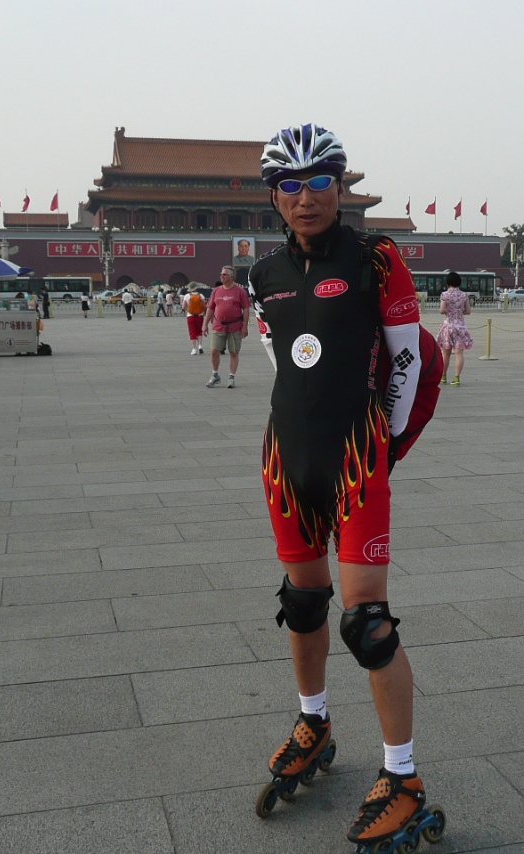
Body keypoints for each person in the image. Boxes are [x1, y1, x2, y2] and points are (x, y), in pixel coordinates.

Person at [249, 123, 430, 848]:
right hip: (285, 460)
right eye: (288, 185)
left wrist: (380, 441)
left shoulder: (375, 258)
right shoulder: (263, 274)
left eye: (317, 181)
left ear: (339, 186)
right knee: (302, 603)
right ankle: (313, 721)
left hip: (357, 461)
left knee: (366, 624)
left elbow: (408, 361)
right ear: (273, 197)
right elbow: (279, 360)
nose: (303, 197)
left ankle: (403, 777)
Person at [202, 266, 250, 388]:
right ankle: (215, 375)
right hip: (218, 325)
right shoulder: (216, 291)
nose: (222, 276)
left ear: (232, 277)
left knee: (234, 352)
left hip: (235, 326)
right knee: (214, 351)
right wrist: (205, 324)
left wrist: (245, 326)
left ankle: (231, 377)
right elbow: (210, 308)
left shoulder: (240, 291)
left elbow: (245, 309)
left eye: (224, 275)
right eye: (221, 274)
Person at [437, 271, 473, 386]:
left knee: (445, 353)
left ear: (448, 282)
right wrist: (458, 311)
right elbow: (468, 311)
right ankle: (456, 377)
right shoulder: (464, 295)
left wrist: (450, 311)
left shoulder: (445, 295)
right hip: (460, 326)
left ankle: (443, 376)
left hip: (448, 326)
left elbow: (442, 310)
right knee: (459, 353)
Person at [182, 282, 206, 355]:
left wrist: (188, 310)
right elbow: (204, 306)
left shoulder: (187, 296)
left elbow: (183, 307)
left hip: (191, 316)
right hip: (200, 316)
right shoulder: (201, 296)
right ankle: (200, 346)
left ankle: (194, 349)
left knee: (192, 332)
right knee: (199, 331)